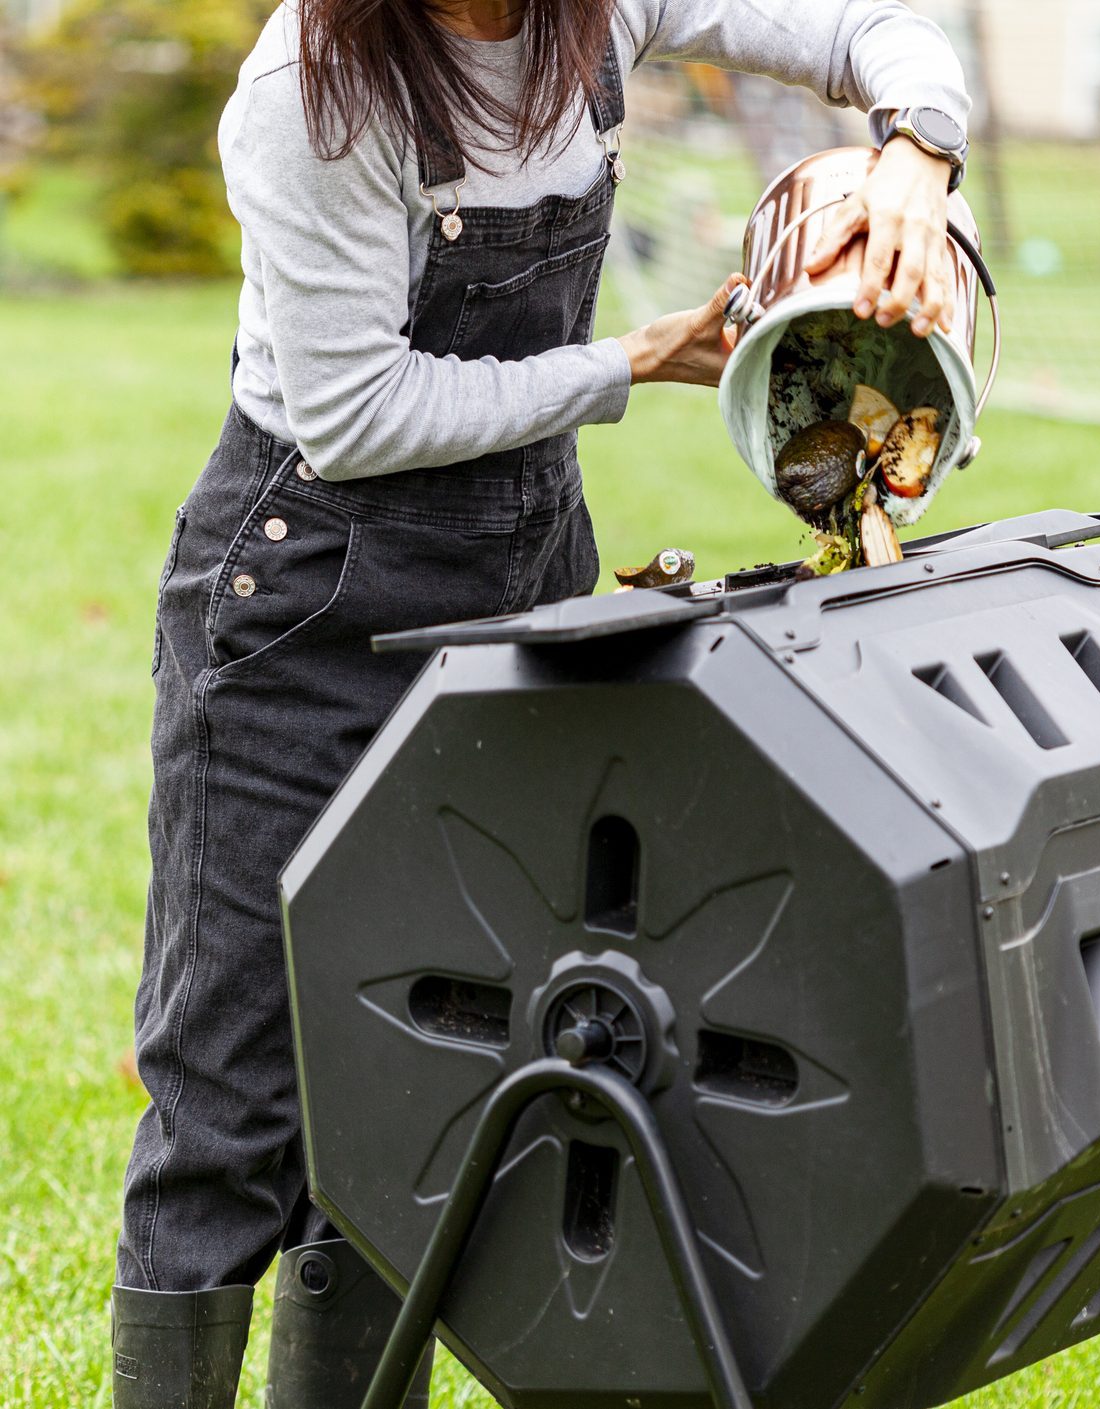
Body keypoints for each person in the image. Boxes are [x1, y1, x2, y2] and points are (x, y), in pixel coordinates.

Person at [111, 0, 971, 1404]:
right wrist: (625, 361)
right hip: (304, 606)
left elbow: (874, 24)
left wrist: (914, 156)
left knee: (422, 1072)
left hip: (517, 586)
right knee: (234, 1095)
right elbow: (353, 412)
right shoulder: (305, 91)